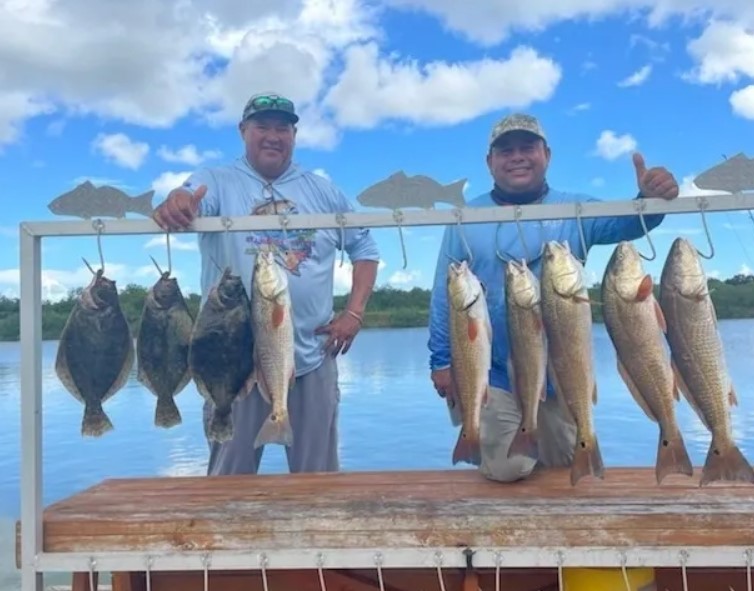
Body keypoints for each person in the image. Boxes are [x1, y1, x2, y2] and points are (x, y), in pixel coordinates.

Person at [427, 113, 679, 483]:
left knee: (564, 466)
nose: (517, 157)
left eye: (527, 148)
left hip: (560, 369)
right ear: (489, 162)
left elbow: (625, 223)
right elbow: (442, 296)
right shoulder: (464, 219)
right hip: (489, 370)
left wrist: (648, 200)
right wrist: (441, 360)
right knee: (508, 468)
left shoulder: (574, 209)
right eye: (505, 150)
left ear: (547, 154)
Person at [152, 92, 380, 475]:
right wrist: (179, 201)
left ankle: (312, 534)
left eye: (282, 128)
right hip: (231, 361)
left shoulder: (322, 190)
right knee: (228, 479)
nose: (273, 136)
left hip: (311, 357)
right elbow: (190, 195)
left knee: (318, 482)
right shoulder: (217, 180)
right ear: (244, 131)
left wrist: (354, 312)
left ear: (294, 134)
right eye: (262, 127)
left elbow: (365, 247)